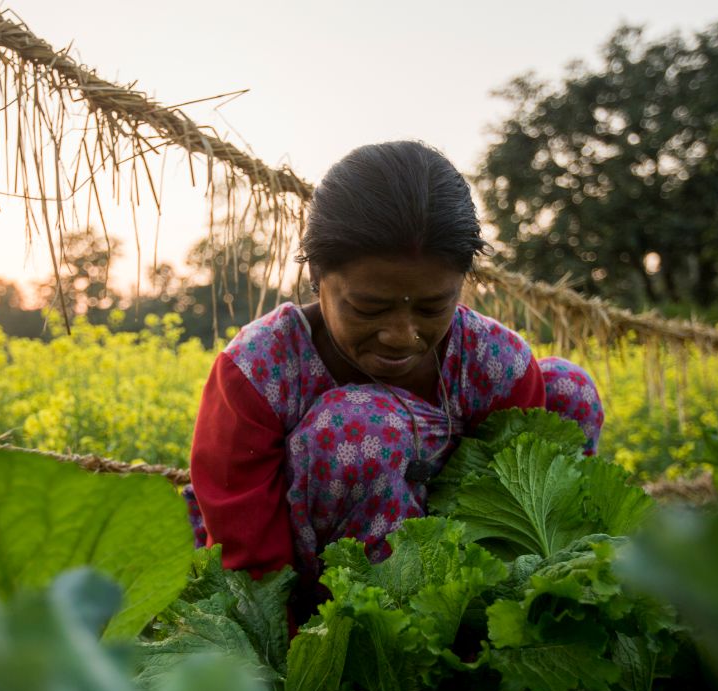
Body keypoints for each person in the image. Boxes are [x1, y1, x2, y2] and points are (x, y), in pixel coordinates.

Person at [183, 141, 602, 611]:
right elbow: (250, 563)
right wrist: (306, 659)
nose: (402, 336)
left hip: (456, 589)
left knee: (568, 390)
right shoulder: (257, 372)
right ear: (316, 274)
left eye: (431, 307)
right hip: (306, 605)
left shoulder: (496, 365)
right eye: (369, 308)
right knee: (361, 426)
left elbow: (514, 520)